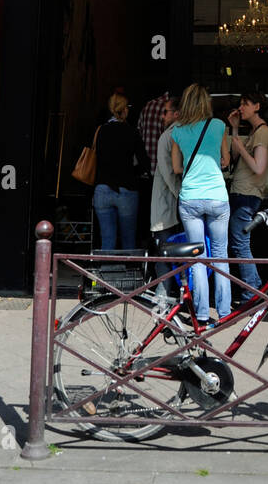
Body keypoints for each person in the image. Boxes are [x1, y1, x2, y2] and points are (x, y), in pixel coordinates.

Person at [171, 83, 231, 325]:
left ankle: (203, 313)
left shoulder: (177, 131)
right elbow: (225, 160)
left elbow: (176, 168)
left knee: (198, 256)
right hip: (217, 196)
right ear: (206, 103)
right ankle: (225, 312)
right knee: (220, 254)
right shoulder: (218, 126)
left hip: (191, 198)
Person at [226, 91, 268, 298]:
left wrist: (240, 148)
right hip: (242, 192)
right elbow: (234, 157)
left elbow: (258, 167)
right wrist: (235, 128)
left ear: (257, 106)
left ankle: (252, 291)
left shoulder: (263, 132)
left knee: (239, 243)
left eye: (245, 103)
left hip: (247, 194)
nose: (241, 107)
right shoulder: (255, 132)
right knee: (239, 242)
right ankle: (253, 290)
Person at [93, 91, 151, 250]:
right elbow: (145, 163)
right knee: (128, 242)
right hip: (127, 189)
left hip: (102, 189)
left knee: (107, 240)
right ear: (124, 110)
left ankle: (105, 273)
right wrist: (134, 173)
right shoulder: (132, 132)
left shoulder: (101, 131)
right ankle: (129, 273)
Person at [150, 95, 182, 304]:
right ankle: (177, 297)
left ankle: (162, 299)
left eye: (165, 112)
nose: (162, 116)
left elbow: (168, 172)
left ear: (176, 114)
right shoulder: (183, 134)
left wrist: (181, 195)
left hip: (168, 204)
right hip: (176, 205)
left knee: (163, 250)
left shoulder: (169, 137)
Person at [139, 90, 178, 171]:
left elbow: (139, 131)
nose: (162, 116)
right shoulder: (170, 106)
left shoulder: (147, 106)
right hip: (163, 167)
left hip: (146, 166)